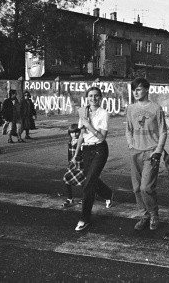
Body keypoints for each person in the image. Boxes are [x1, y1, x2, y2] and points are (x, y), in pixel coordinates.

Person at [125, 77, 167, 231]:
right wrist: (130, 145)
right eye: (134, 90)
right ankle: (144, 215)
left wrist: (158, 151)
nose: (135, 92)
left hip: (151, 152)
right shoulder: (130, 109)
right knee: (136, 188)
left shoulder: (156, 108)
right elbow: (128, 129)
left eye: (139, 89)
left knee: (146, 188)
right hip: (135, 152)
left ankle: (154, 214)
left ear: (147, 90)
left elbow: (163, 131)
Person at [73, 86, 113, 232]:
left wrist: (88, 124)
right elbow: (81, 135)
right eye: (90, 96)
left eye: (96, 96)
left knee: (88, 184)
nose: (93, 99)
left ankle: (85, 218)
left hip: (99, 149)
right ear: (87, 97)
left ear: (100, 98)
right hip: (86, 150)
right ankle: (108, 194)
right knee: (92, 179)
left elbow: (102, 137)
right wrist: (76, 153)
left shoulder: (104, 114)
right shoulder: (83, 112)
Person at [63, 124, 83, 207]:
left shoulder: (81, 141)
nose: (74, 135)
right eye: (72, 133)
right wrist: (69, 163)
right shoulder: (70, 142)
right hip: (72, 164)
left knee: (83, 182)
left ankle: (84, 198)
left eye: (76, 133)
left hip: (81, 164)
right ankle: (70, 198)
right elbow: (69, 153)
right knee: (66, 178)